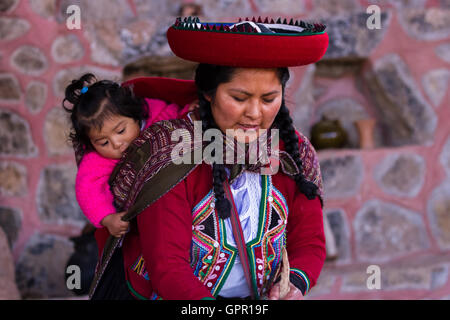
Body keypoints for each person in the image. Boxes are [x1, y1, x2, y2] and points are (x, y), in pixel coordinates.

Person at [88, 16, 329, 300]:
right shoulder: (173, 151)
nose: (254, 113)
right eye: (239, 98)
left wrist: (295, 284)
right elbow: (168, 266)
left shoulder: (292, 153)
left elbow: (310, 241)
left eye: (268, 99)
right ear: (209, 93)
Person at [63, 73, 192, 237]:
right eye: (103, 142)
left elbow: (176, 118)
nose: (116, 143)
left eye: (121, 131)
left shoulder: (155, 115)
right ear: (91, 144)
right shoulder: (97, 159)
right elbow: (87, 188)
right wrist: (108, 218)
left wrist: (189, 112)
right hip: (146, 221)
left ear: (135, 115)